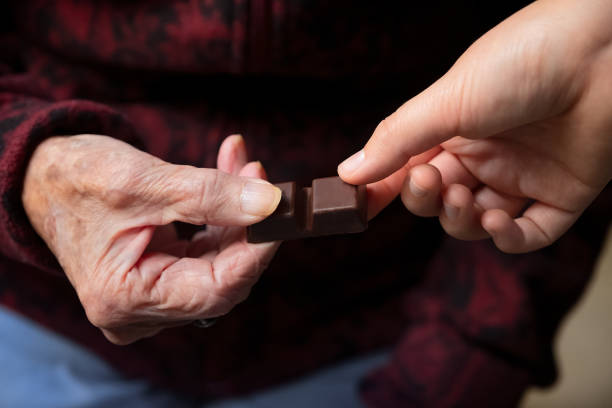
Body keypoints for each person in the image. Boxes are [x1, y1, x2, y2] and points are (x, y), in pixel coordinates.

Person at [0, 1, 609, 407]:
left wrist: (463, 364)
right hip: (41, 321)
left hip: (384, 328)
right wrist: (29, 168)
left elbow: (562, 104)